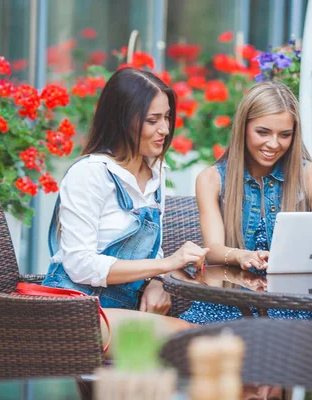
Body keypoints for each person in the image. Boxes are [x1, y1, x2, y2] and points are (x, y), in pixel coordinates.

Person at [42, 68, 208, 335]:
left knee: (211, 334)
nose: (165, 129)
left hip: (123, 310)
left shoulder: (155, 171)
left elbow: (153, 251)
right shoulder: (91, 173)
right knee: (195, 340)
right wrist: (166, 266)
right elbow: (80, 265)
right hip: (78, 309)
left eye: (166, 117)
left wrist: (157, 281)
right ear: (122, 120)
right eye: (152, 120)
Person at [179, 81, 312, 324]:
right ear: (243, 128)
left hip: (293, 306)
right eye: (263, 132)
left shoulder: (311, 175)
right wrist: (241, 256)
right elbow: (213, 250)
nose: (274, 144)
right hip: (225, 305)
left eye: (285, 135)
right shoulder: (211, 179)